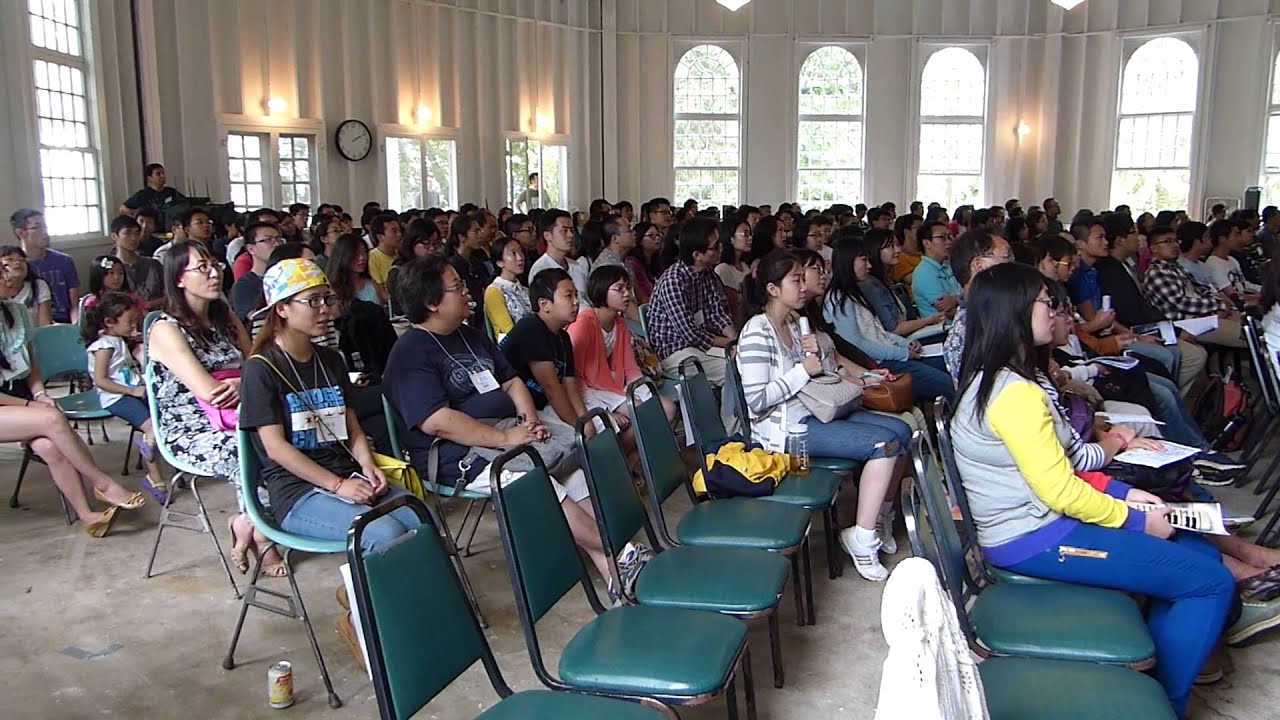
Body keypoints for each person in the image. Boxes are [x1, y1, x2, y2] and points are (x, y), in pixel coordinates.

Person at [949, 261, 1235, 718]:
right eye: (1046, 302)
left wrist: (1124, 496)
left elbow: (1064, 467)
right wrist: (1136, 520)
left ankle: (1154, 677)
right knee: (1210, 583)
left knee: (1202, 554)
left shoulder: (1004, 378)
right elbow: (1060, 491)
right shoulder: (1015, 394)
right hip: (1033, 538)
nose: (1054, 311)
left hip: (1041, 526)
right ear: (1015, 311)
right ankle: (1160, 705)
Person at [382, 255, 612, 582]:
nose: (467, 291)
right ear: (432, 303)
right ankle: (618, 552)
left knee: (572, 463)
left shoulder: (470, 336)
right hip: (458, 454)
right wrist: (506, 438)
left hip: (506, 431)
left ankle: (616, 570)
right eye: (457, 286)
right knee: (535, 479)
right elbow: (437, 421)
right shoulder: (410, 353)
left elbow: (512, 382)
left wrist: (529, 421)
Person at [737, 250, 911, 581]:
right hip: (786, 431)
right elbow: (756, 401)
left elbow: (821, 373)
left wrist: (816, 361)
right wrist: (803, 369)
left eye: (804, 279)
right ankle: (862, 538)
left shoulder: (793, 323)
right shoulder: (757, 332)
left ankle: (880, 516)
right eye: (796, 280)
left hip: (815, 411)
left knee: (901, 431)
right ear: (773, 289)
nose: (804, 287)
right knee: (883, 445)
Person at [148, 241, 280, 576]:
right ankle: (264, 538)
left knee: (287, 436)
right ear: (179, 279)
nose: (213, 273)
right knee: (250, 448)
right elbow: (209, 392)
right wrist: (243, 383)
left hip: (240, 414)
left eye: (215, 265)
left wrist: (241, 383)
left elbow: (259, 368)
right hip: (191, 429)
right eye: (201, 267)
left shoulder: (226, 319)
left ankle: (247, 523)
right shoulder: (165, 329)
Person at [0, 292, 146, 535]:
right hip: (8, 404)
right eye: (4, 273)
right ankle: (103, 484)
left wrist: (40, 395)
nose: (9, 277)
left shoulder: (17, 311)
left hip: (22, 400)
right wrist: (29, 406)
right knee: (52, 419)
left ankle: (87, 516)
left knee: (49, 447)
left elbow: (32, 365)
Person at [824, 237, 956, 404]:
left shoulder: (853, 293)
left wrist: (905, 344)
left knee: (950, 363)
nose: (869, 266)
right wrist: (902, 353)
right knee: (948, 383)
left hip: (892, 353)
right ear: (848, 262)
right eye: (863, 260)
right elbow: (858, 343)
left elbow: (879, 332)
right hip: (882, 364)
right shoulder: (839, 300)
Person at [568, 265, 676, 460]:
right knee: (643, 412)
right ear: (601, 290)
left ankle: (634, 459)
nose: (626, 294)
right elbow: (574, 379)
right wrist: (608, 410)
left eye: (627, 288)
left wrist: (647, 393)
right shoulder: (584, 323)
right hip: (588, 391)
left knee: (667, 408)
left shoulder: (620, 324)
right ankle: (623, 462)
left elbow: (631, 370)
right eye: (619, 289)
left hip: (613, 386)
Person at [1092, 223, 1208, 395]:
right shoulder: (1110, 270)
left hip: (1147, 323)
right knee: (1184, 355)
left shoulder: (1128, 264)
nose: (1139, 238)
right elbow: (1131, 312)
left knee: (1195, 352)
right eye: (1133, 232)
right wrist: (1169, 331)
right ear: (1120, 240)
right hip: (1132, 328)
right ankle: (1169, 400)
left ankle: (1173, 399)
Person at [81, 291, 166, 501]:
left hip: (134, 390)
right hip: (117, 397)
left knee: (160, 420)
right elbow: (101, 380)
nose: (134, 326)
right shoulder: (104, 346)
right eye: (129, 322)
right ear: (110, 322)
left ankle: (155, 474)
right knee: (151, 428)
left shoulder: (118, 340)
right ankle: (155, 478)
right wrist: (131, 391)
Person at [499, 270, 591, 432]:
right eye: (568, 296)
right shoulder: (531, 328)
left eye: (576, 295)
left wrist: (586, 422)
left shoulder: (563, 337)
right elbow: (551, 388)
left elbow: (570, 387)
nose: (576, 302)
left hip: (543, 406)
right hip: (516, 411)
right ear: (544, 304)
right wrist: (579, 428)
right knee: (574, 437)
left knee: (595, 427)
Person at [647, 218, 736, 386]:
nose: (721, 248)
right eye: (715, 246)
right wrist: (729, 343)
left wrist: (734, 337)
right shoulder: (674, 281)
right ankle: (728, 405)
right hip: (675, 351)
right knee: (731, 370)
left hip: (700, 345)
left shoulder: (708, 274)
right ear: (697, 255)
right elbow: (689, 333)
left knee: (739, 360)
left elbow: (716, 313)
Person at [1144, 225, 1246, 349]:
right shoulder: (1157, 273)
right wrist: (1218, 304)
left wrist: (1217, 305)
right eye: (1168, 241)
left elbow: (1201, 290)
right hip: (1184, 324)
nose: (1175, 245)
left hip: (1202, 316)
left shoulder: (1177, 267)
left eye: (1176, 241)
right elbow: (1180, 303)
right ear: (1154, 248)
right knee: (1245, 334)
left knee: (1249, 321)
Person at [860, 229, 945, 340]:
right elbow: (894, 329)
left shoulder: (884, 278)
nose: (898, 250)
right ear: (875, 250)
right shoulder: (872, 285)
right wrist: (929, 320)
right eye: (891, 246)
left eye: (897, 245)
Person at [10, 209, 79, 323]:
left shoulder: (64, 261)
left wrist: (75, 326)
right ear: (21, 233)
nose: (45, 232)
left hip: (64, 323)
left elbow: (74, 304)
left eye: (45, 227)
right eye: (38, 227)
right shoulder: (17, 267)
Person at [444, 214, 494, 326]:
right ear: (462, 237)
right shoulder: (452, 266)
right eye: (476, 232)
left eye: (480, 231)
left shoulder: (477, 260)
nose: (480, 235)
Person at [229, 222, 285, 323]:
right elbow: (255, 321)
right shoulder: (244, 285)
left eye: (278, 239)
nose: (276, 244)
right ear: (251, 249)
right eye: (268, 240)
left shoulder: (287, 277)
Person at [108, 214, 164, 307]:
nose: (133, 238)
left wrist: (150, 304)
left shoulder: (153, 265)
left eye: (137, 233)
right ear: (114, 236)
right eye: (127, 233)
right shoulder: (109, 267)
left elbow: (170, 294)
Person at [910, 220, 962, 320]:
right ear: (926, 243)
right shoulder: (924, 273)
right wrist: (963, 299)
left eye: (949, 237)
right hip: (943, 327)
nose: (949, 242)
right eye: (942, 238)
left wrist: (955, 299)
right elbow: (948, 312)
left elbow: (970, 292)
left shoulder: (948, 265)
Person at [387, 218, 440, 313]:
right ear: (412, 243)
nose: (432, 248)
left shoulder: (437, 266)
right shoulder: (399, 272)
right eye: (426, 243)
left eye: (435, 243)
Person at [483, 236, 532, 340]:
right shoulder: (494, 291)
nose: (520, 257)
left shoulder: (525, 290)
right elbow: (507, 330)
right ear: (500, 262)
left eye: (521, 252)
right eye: (513, 253)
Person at [81, 255, 148, 323]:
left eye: (120, 273)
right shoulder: (93, 302)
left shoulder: (133, 299)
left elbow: (146, 320)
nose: (116, 277)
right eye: (111, 273)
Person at [1205, 219, 1260, 301]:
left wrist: (1265, 290)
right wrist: (1260, 297)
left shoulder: (1232, 260)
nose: (1238, 238)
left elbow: (1244, 284)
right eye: (1235, 235)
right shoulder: (1214, 263)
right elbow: (1231, 294)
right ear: (1222, 238)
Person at [0, 245, 52, 326]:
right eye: (10, 259)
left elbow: (45, 324)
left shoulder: (38, 285)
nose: (18, 263)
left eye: (22, 260)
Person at [328, 233, 381, 308]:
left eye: (364, 252)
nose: (362, 257)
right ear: (343, 256)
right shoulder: (333, 290)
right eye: (355, 253)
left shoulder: (372, 284)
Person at [714, 217, 752, 312]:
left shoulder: (744, 265)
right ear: (731, 238)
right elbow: (733, 306)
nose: (750, 238)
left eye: (750, 234)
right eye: (745, 234)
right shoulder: (723, 269)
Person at [119, 163, 186, 217]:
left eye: (163, 173)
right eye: (158, 174)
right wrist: (138, 213)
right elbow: (123, 209)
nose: (162, 176)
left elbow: (186, 203)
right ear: (150, 178)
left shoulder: (171, 191)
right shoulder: (143, 194)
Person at [366, 212, 403, 301]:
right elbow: (381, 292)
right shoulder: (372, 257)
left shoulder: (402, 255)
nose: (399, 235)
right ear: (380, 237)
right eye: (394, 231)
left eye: (399, 230)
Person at [625, 221, 663, 304]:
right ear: (640, 239)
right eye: (651, 236)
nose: (657, 238)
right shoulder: (633, 264)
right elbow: (641, 297)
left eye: (658, 235)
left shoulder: (655, 262)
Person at [889, 214, 924, 284]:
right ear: (906, 231)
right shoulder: (899, 256)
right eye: (918, 228)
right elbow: (911, 279)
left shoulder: (926, 251)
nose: (923, 231)